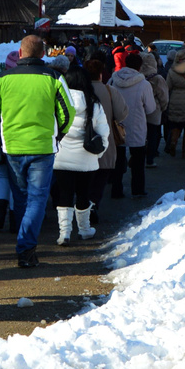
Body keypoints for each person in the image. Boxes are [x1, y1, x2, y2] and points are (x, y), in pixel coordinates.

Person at [0, 35, 76, 268]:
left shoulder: (2, 78)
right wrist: (58, 135)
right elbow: (68, 112)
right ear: (43, 54)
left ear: (20, 52)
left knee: (21, 197)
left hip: (13, 147)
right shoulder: (53, 77)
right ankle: (26, 249)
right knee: (37, 199)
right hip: (43, 147)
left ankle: (23, 243)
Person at [53, 66, 110, 244]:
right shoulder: (94, 104)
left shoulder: (57, 102)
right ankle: (84, 230)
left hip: (61, 156)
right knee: (83, 194)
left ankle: (64, 233)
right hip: (86, 158)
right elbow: (103, 133)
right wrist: (98, 153)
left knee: (64, 194)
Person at [109, 52, 162, 196]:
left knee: (118, 159)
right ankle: (137, 189)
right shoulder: (144, 84)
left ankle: (116, 189)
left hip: (116, 125)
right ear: (140, 66)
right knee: (138, 160)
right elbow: (151, 108)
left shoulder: (113, 80)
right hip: (137, 125)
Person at [84, 56, 127, 227]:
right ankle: (93, 203)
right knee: (101, 176)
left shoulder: (79, 91)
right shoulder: (110, 91)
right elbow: (122, 113)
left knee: (84, 177)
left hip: (82, 141)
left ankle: (83, 203)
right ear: (101, 73)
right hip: (104, 140)